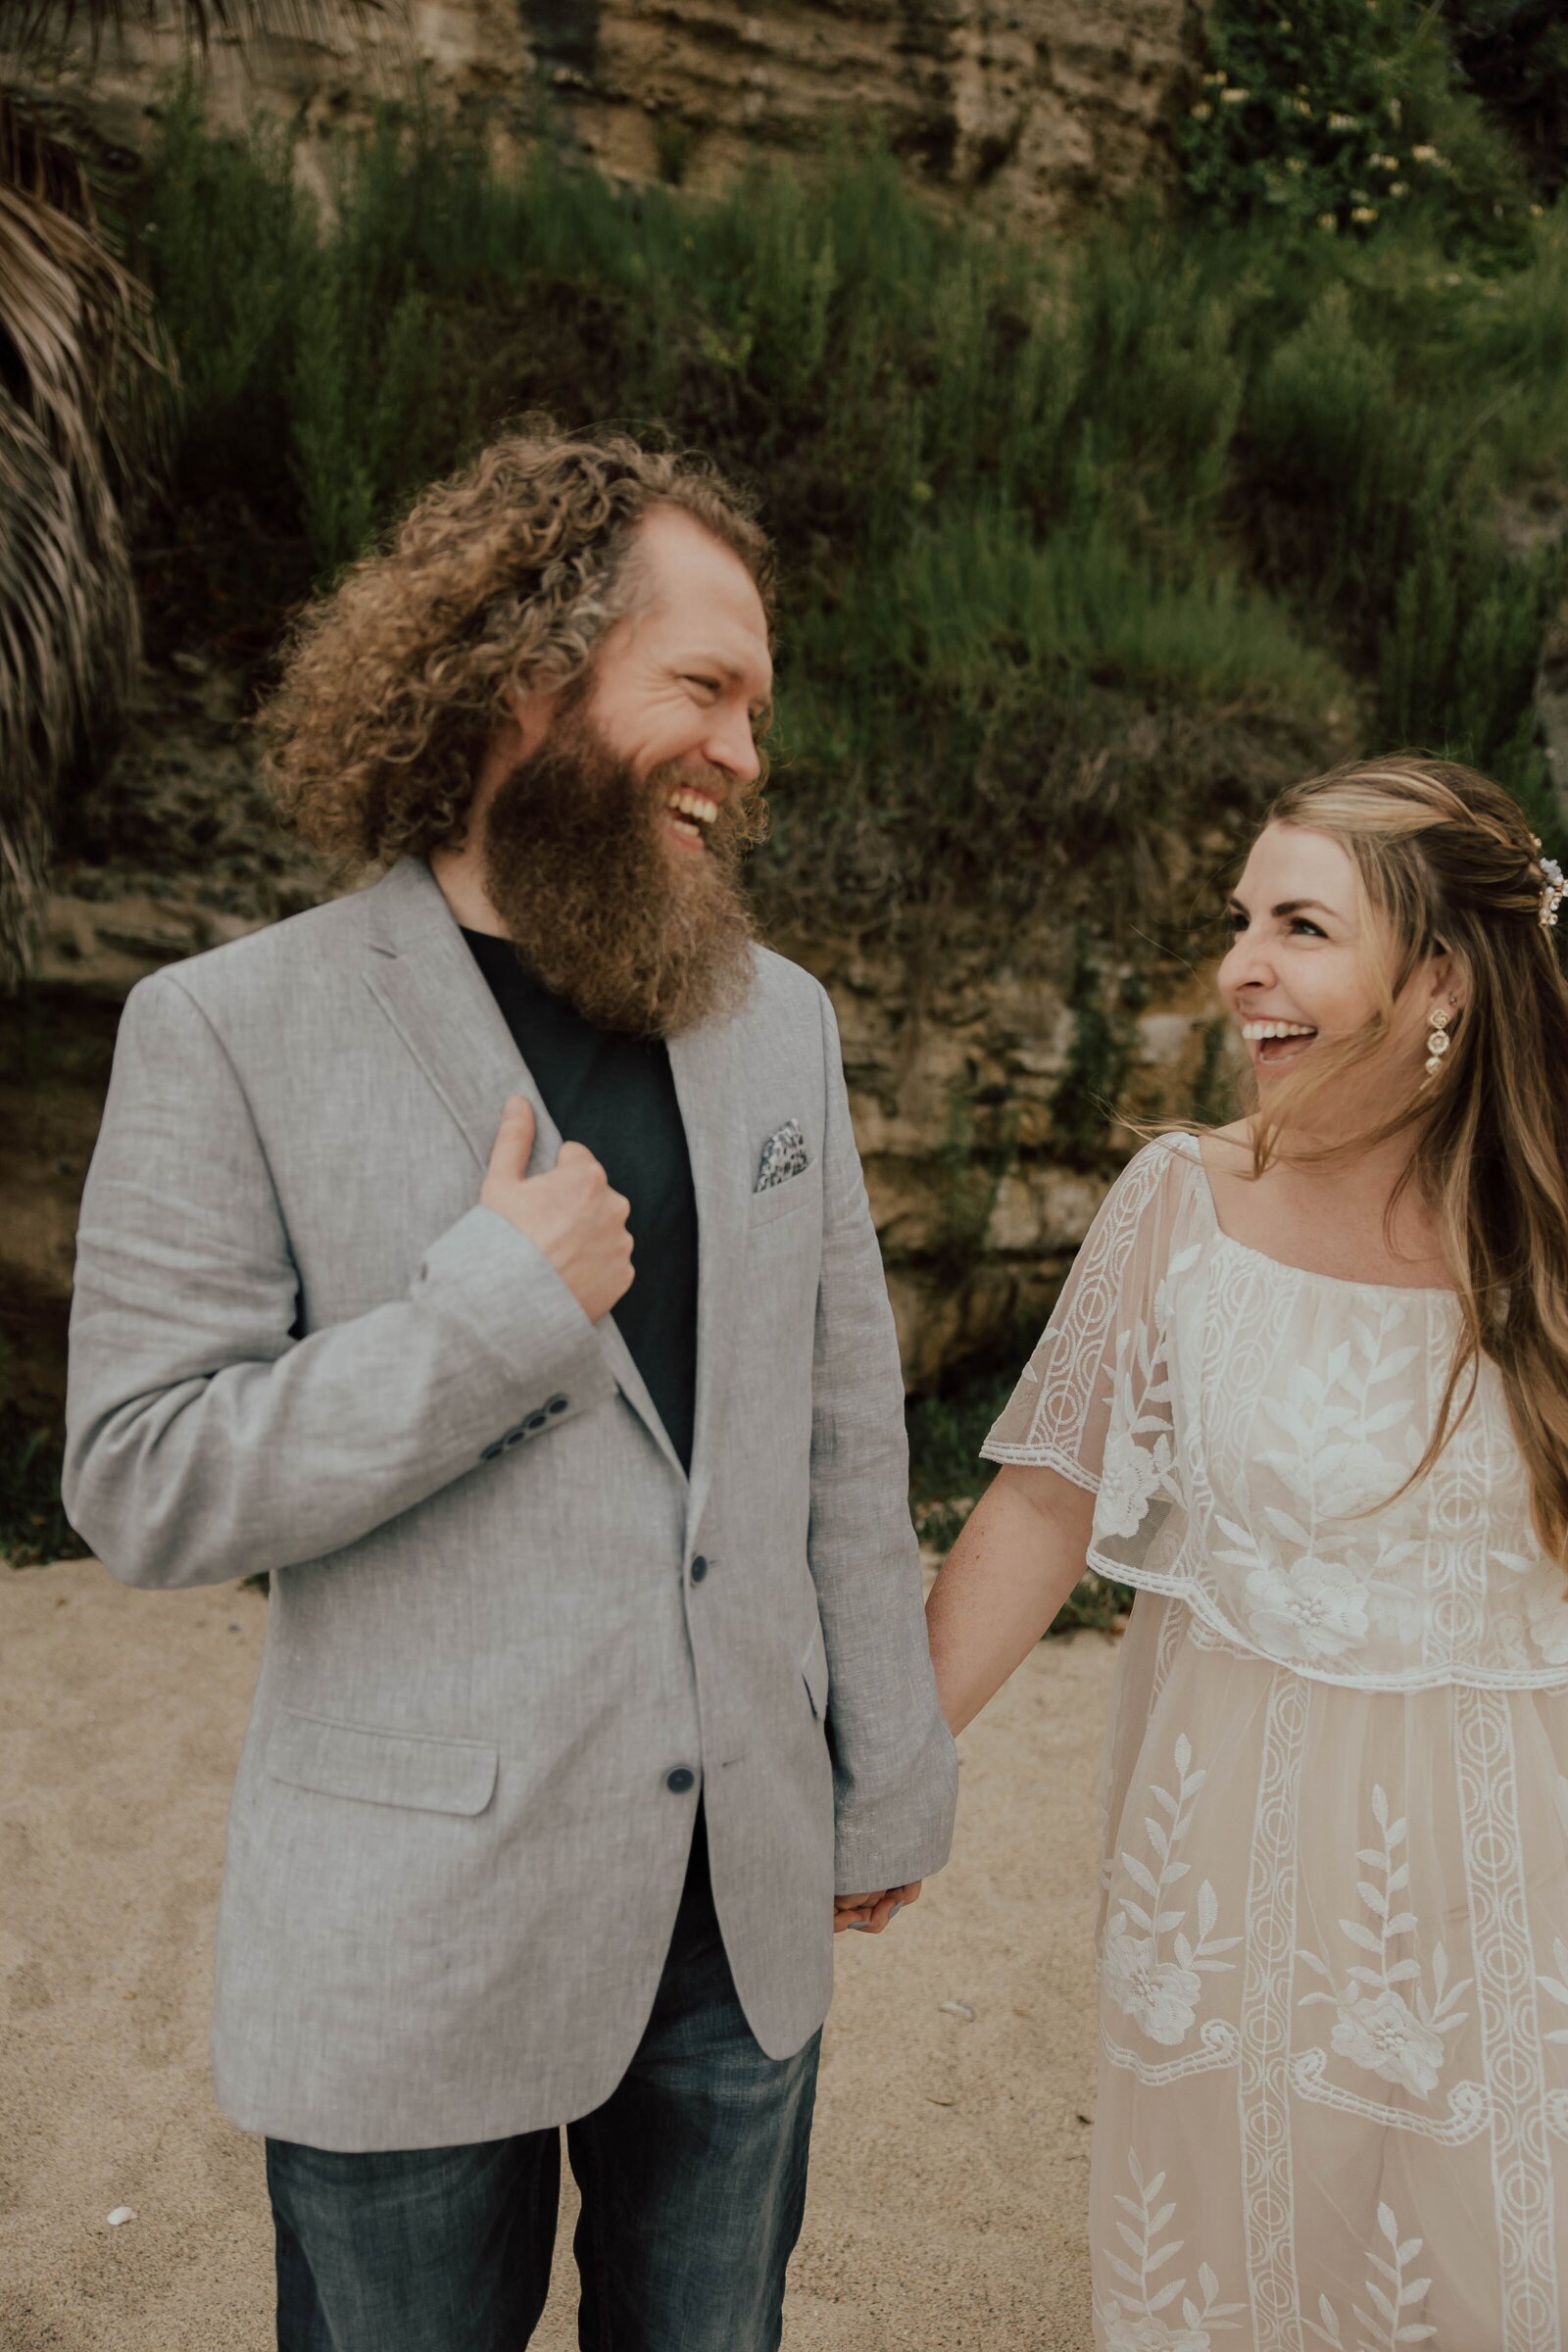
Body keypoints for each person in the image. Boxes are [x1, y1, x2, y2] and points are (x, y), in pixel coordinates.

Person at [64, 425, 957, 2352]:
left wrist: (888, 1770)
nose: (746, 750)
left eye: (759, 707)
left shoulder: (781, 1023)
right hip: (411, 1929)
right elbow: (140, 1478)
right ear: (525, 674)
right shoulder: (225, 1025)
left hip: (732, 1926)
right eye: (704, 687)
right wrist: (482, 1320)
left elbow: (839, 1430)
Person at [926, 756, 1568, 2348]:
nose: (1240, 967)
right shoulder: (1179, 1206)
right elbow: (1044, 1504)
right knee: (1245, 2264)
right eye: (1240, 920)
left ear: (1440, 977)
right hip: (1228, 1875)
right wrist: (877, 1771)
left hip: (1516, 1876)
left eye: (1301, 926)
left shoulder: (1552, 1238)